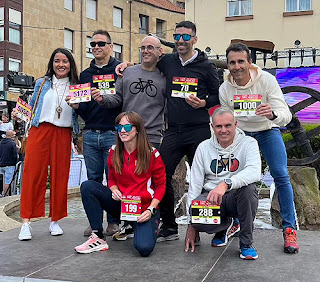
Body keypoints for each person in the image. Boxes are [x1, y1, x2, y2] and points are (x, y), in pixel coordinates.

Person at [116, 21, 220, 242]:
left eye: (185, 37)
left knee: (206, 179)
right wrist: (127, 64)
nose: (181, 41)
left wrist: (203, 103)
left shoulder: (206, 66)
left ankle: (209, 227)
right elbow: (148, 61)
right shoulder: (169, 62)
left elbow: (218, 94)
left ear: (195, 39)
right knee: (159, 175)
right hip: (173, 130)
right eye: (177, 37)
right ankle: (170, 226)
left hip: (198, 130)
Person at [219, 42, 299, 254]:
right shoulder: (225, 88)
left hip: (267, 130)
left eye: (241, 61)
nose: (237, 66)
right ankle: (236, 221)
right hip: (242, 135)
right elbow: (226, 120)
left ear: (250, 63)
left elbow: (286, 115)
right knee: (234, 177)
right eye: (232, 62)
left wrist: (272, 114)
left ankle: (289, 229)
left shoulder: (267, 81)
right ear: (228, 65)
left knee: (281, 176)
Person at [74, 111, 166, 257]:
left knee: (144, 249)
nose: (123, 131)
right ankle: (98, 236)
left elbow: (161, 186)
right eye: (119, 127)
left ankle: (137, 226)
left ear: (137, 130)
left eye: (128, 127)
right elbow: (111, 178)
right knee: (88, 186)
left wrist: (151, 210)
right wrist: (114, 189)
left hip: (144, 209)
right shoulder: (114, 151)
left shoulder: (152, 154)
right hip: (123, 205)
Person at [18, 48, 79, 241]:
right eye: (57, 61)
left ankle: (55, 220)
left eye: (65, 61)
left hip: (63, 132)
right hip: (40, 130)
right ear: (52, 64)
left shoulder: (77, 86)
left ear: (71, 64)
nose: (61, 65)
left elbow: (82, 113)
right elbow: (33, 107)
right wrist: (20, 115)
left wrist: (78, 105)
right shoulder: (42, 83)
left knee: (61, 175)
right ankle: (26, 222)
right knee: (32, 173)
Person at [184, 107, 260, 260]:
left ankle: (246, 243)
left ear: (236, 124)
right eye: (219, 126)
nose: (223, 130)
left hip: (235, 195)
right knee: (198, 215)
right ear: (212, 127)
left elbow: (254, 172)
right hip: (211, 196)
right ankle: (226, 225)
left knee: (248, 190)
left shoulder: (248, 143)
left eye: (228, 125)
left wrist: (226, 184)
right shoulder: (204, 147)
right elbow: (195, 185)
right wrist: (191, 224)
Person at [66, 29, 122, 237]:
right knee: (93, 179)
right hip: (90, 133)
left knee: (114, 179)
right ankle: (95, 223)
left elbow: (123, 101)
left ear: (110, 47)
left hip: (113, 133)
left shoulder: (120, 70)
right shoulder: (85, 75)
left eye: (101, 43)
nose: (96, 47)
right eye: (93, 44)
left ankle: (114, 222)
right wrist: (76, 106)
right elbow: (85, 106)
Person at [93, 35, 166, 150]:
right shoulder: (126, 72)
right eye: (143, 48)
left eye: (150, 47)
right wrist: (102, 99)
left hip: (152, 136)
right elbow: (116, 98)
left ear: (160, 51)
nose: (145, 51)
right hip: (127, 133)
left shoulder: (165, 76)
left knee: (150, 168)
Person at [0, 130, 18, 196]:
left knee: (2, 180)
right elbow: (14, 155)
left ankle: (2, 193)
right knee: (8, 181)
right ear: (11, 136)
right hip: (10, 164)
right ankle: (4, 195)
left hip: (1, 164)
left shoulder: (1, 142)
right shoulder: (12, 144)